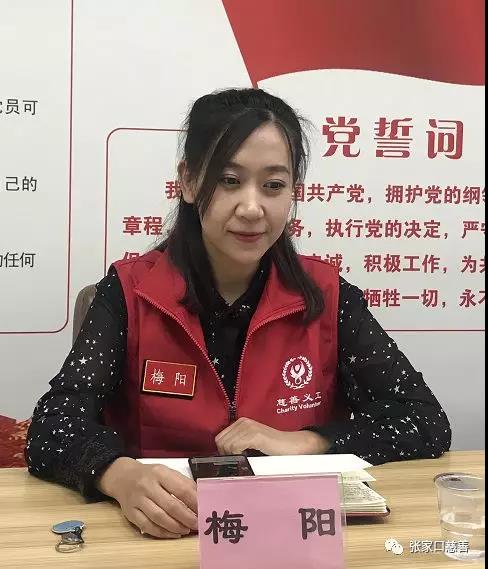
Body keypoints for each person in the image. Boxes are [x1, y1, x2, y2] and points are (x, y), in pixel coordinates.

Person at [25, 88, 451, 539]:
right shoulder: (130, 292)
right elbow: (54, 425)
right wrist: (120, 475)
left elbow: (423, 420)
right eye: (229, 180)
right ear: (189, 181)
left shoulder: (327, 295)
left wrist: (306, 441)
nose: (251, 208)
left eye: (273, 185)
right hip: (166, 532)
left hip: (292, 534)